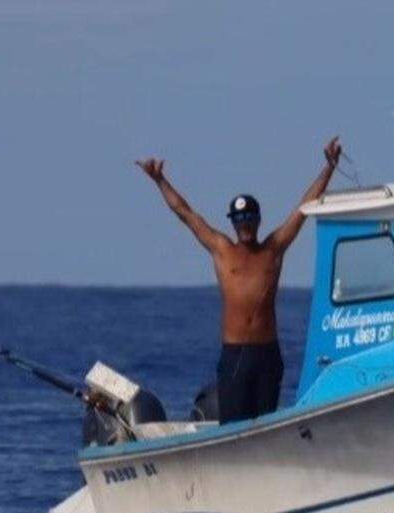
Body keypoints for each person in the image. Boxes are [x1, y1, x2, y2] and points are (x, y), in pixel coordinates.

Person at [135, 136, 342, 422]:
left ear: (258, 220)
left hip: (267, 354)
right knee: (234, 425)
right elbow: (185, 213)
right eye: (239, 219)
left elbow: (304, 208)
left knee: (265, 426)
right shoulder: (222, 250)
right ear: (233, 222)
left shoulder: (273, 249)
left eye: (249, 219)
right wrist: (159, 179)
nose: (245, 225)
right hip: (235, 356)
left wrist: (329, 167)